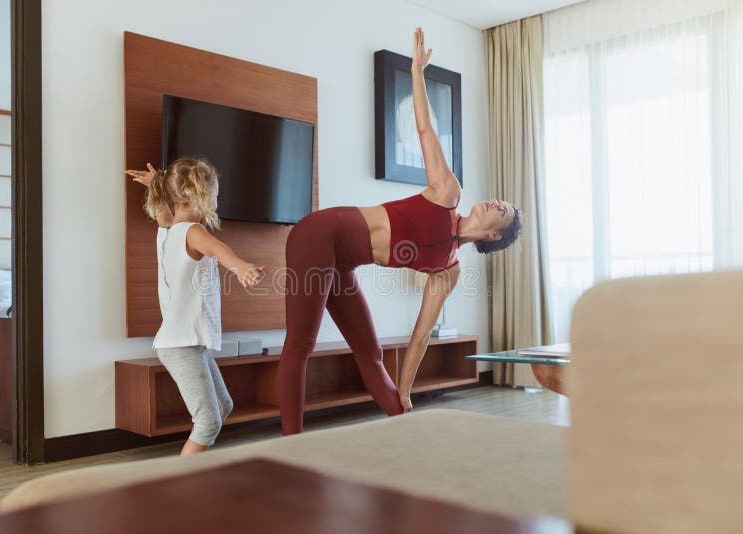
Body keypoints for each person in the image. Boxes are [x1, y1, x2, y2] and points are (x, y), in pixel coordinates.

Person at [277, 28, 523, 435]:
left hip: (341, 263)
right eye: (500, 200)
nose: (497, 202)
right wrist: (416, 73)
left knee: (371, 353)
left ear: (496, 235)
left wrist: (406, 391)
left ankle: (404, 424)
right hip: (317, 235)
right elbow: (426, 132)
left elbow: (422, 334)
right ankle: (290, 447)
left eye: (504, 211)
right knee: (301, 344)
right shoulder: (448, 193)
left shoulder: (449, 269)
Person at [126, 158, 264, 455]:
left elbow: (164, 214)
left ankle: (199, 471)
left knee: (223, 407)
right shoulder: (192, 232)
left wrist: (157, 186)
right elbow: (218, 249)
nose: (216, 203)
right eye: (215, 197)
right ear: (201, 196)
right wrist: (240, 267)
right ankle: (182, 488)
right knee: (208, 422)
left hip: (185, 341)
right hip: (181, 343)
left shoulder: (166, 231)